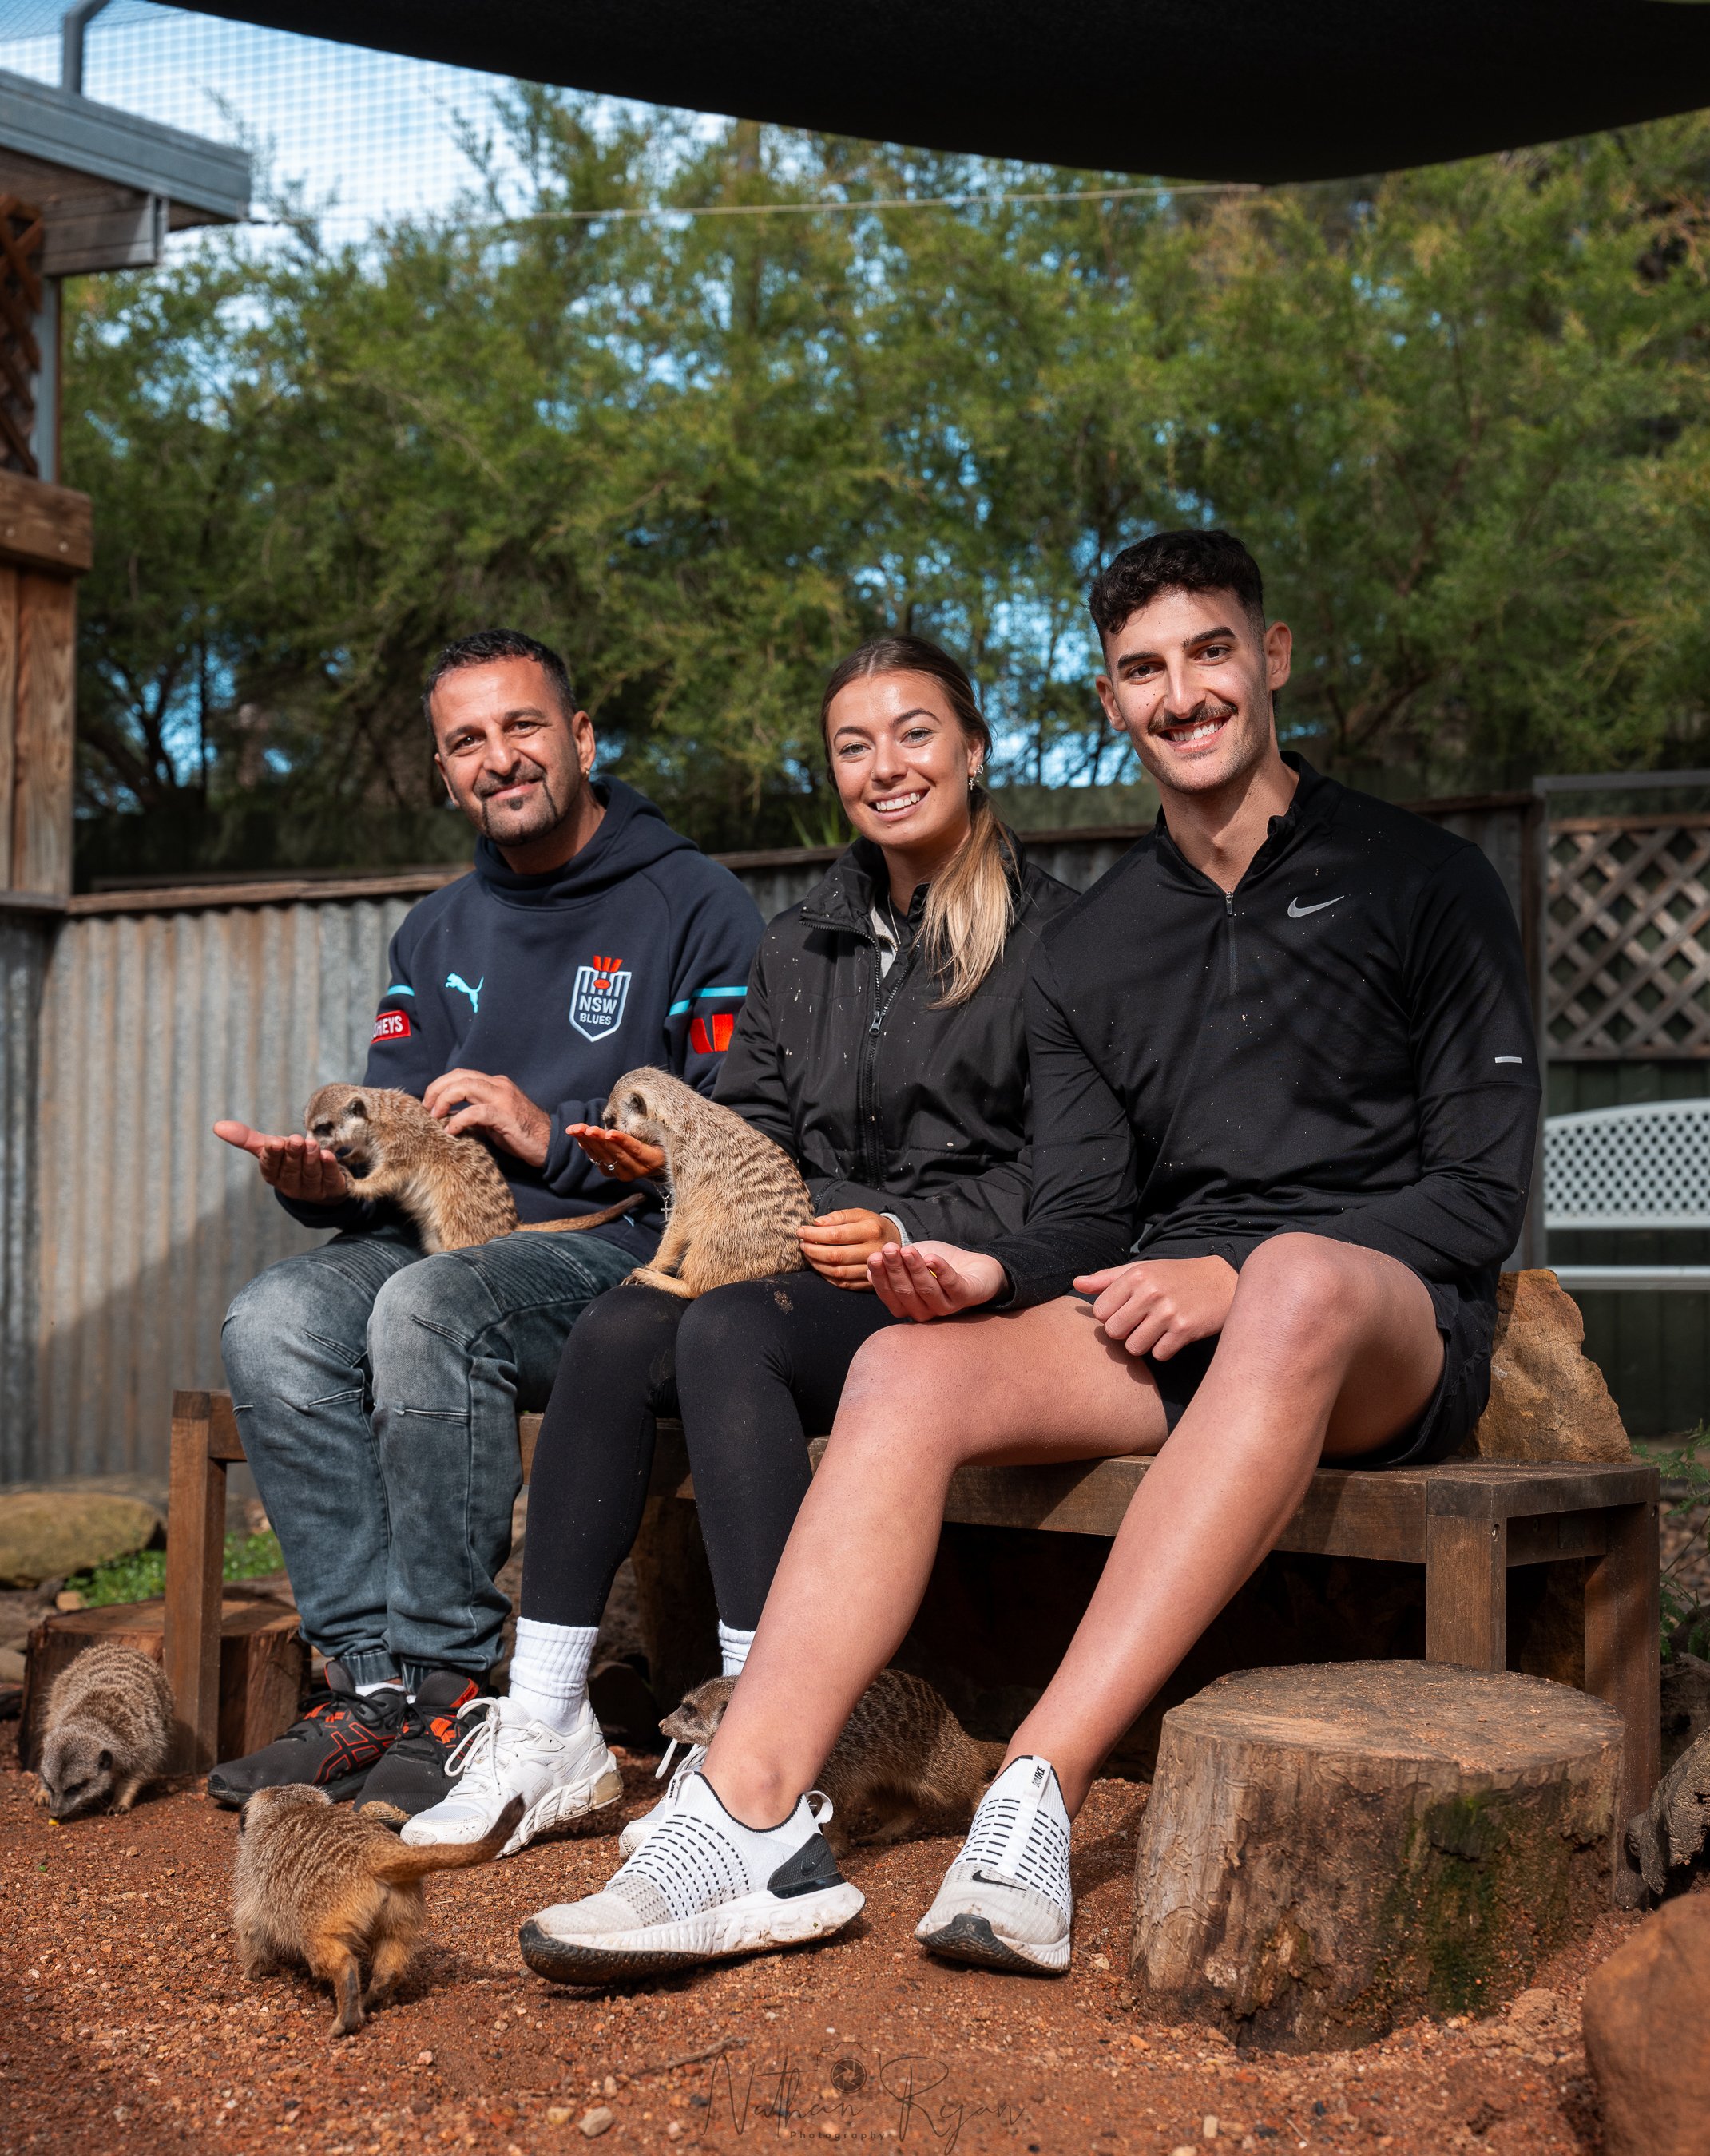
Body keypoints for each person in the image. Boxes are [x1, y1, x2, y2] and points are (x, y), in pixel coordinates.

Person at [514, 529, 1543, 1985]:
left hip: (1376, 1327)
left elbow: (1478, 1194)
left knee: (1300, 1277)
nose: (1181, 694)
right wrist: (987, 1277)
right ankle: (750, 1821)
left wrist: (1242, 1277)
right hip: (1163, 1319)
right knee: (901, 1372)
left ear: (1274, 657)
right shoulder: (1098, 940)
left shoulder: (1422, 877)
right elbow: (1078, 1211)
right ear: (1111, 700)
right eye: (1142, 670)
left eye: (1209, 653)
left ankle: (1035, 1793)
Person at [397, 633, 1077, 1857]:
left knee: (721, 1331)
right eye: (853, 747)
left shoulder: (1060, 940)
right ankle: (548, 1725)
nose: (886, 768)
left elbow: (1077, 1172)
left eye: (915, 734)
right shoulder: (798, 942)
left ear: (975, 750)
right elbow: (754, 1134)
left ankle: (764, 1746)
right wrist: (673, 1167)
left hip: (957, 1274)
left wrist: (918, 1227)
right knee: (616, 1328)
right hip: (804, 1255)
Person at [207, 628, 764, 1815]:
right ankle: (369, 1689)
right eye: (467, 741)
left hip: (622, 1259)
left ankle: (451, 1685)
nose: (498, 758)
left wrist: (551, 1130)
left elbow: (738, 1150)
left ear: (580, 738)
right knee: (271, 1320)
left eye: (521, 727)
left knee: (426, 1309)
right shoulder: (437, 930)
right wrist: (327, 1179)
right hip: (436, 1242)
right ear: (445, 771)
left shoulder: (697, 905)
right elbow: (393, 1142)